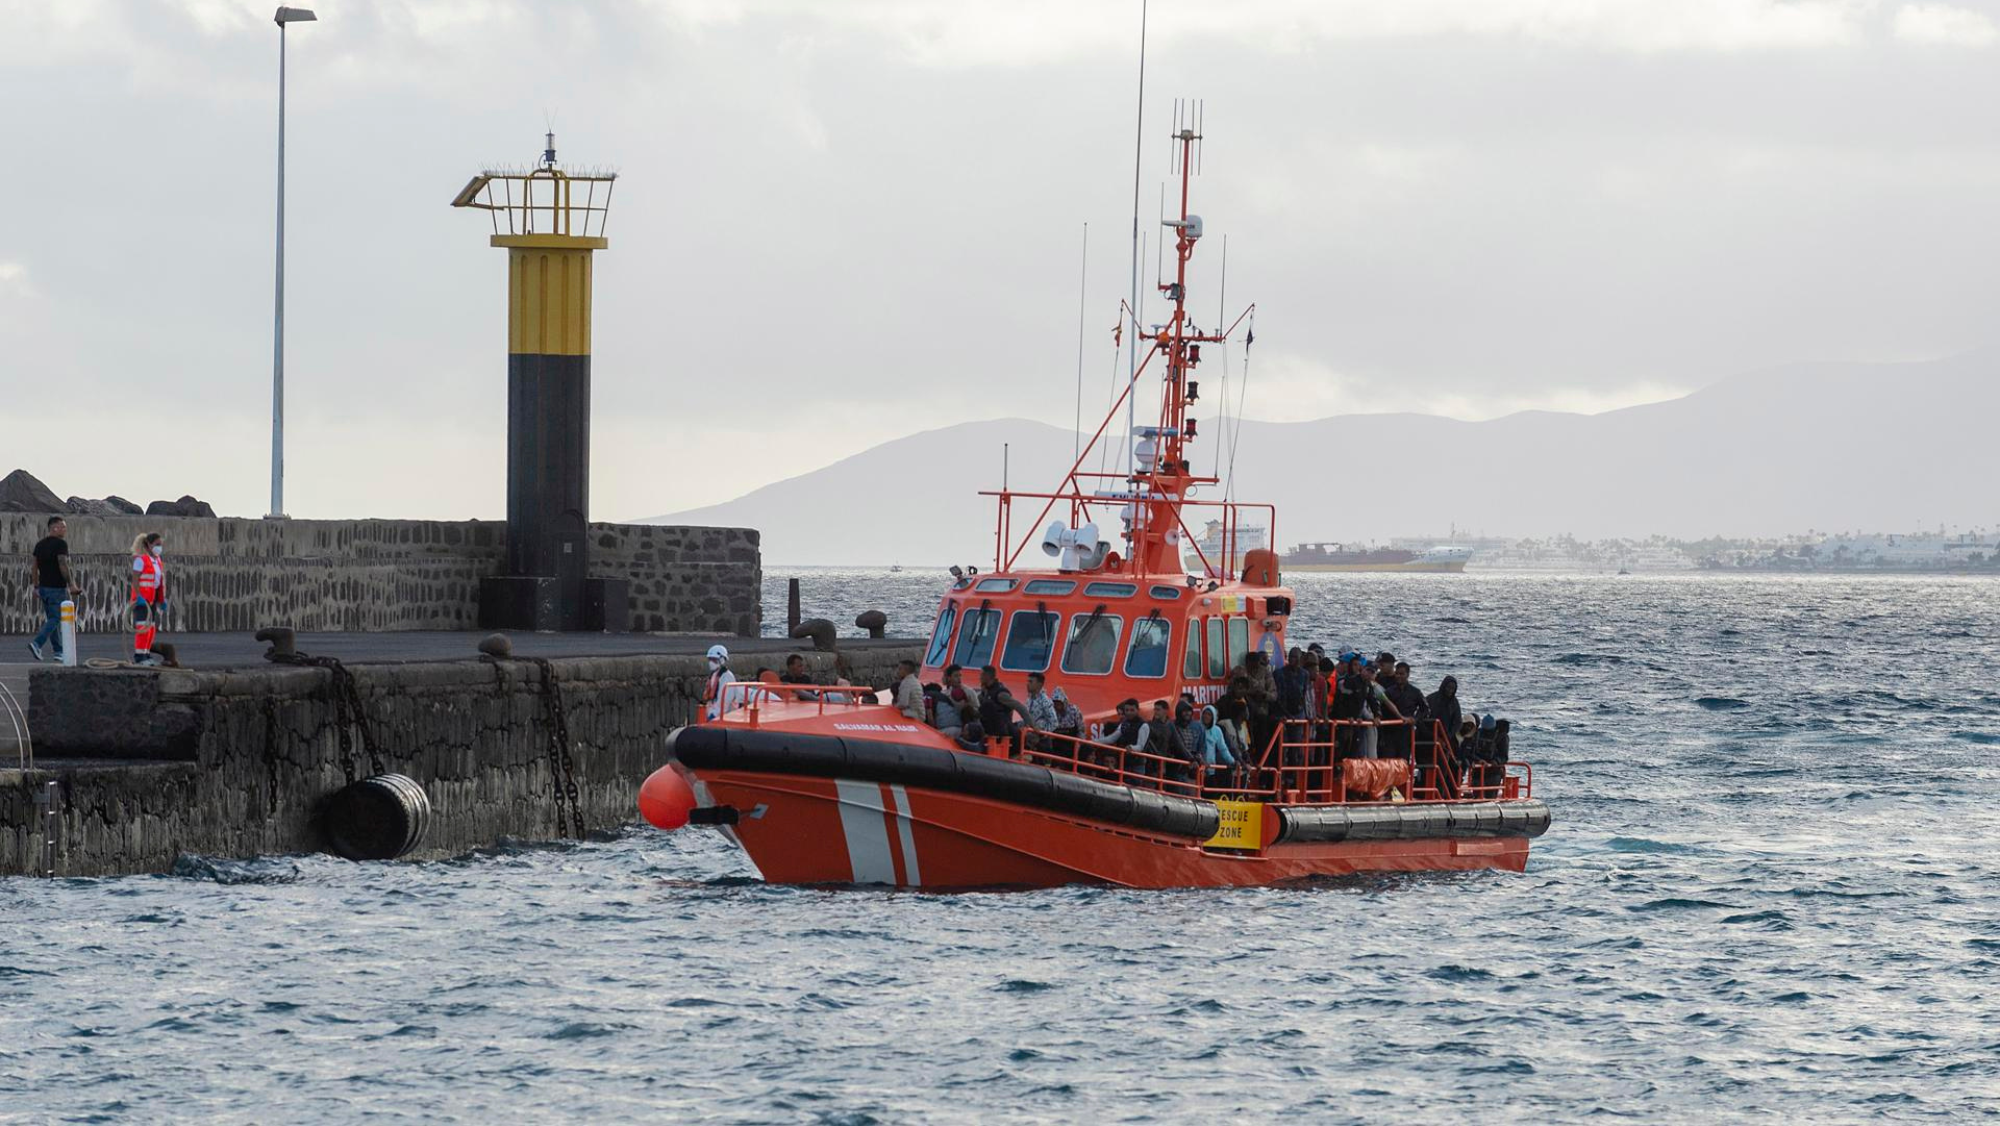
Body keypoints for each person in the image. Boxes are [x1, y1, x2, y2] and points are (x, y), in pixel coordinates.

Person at [27, 516, 79, 663]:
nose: (64, 530)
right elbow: (63, 564)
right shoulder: (61, 544)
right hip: (57, 588)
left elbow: (34, 566)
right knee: (57, 618)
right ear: (54, 528)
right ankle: (37, 643)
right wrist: (71, 584)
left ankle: (58, 651)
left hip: (43, 587)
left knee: (52, 619)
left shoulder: (40, 545)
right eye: (62, 527)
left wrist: (36, 586)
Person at [130, 532, 166, 666]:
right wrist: (138, 596)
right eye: (157, 545)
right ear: (149, 545)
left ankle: (146, 654)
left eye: (160, 545)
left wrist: (162, 600)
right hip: (142, 600)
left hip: (152, 599)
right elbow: (135, 580)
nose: (159, 547)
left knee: (150, 628)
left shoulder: (157, 561)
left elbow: (158, 581)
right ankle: (139, 656)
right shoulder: (141, 560)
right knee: (142, 627)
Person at [976, 665, 1035, 748]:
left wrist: (1031, 724)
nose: (979, 677)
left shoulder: (1000, 694)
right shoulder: (984, 692)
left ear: (987, 676)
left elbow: (1018, 706)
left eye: (981, 675)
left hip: (1001, 728)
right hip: (990, 727)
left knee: (988, 706)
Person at [1428, 676, 1465, 752]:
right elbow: (1421, 720)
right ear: (1443, 686)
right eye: (1448, 687)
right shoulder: (1431, 699)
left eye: (1453, 689)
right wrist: (1433, 736)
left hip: (1446, 738)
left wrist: (1447, 737)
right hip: (1428, 737)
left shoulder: (1454, 703)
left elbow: (1458, 722)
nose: (1450, 691)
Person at [701, 643, 737, 720]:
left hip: (724, 716)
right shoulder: (714, 675)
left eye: (714, 660)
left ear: (722, 660)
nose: (711, 662)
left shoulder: (727, 677)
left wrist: (714, 715)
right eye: (709, 659)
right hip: (712, 713)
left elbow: (725, 701)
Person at [1023, 672, 1058, 750]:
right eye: (1027, 681)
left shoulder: (1045, 701)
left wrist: (1041, 733)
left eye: (1031, 682)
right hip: (1028, 737)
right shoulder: (1029, 699)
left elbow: (1054, 722)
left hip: (1041, 742)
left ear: (1039, 684)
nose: (1027, 684)